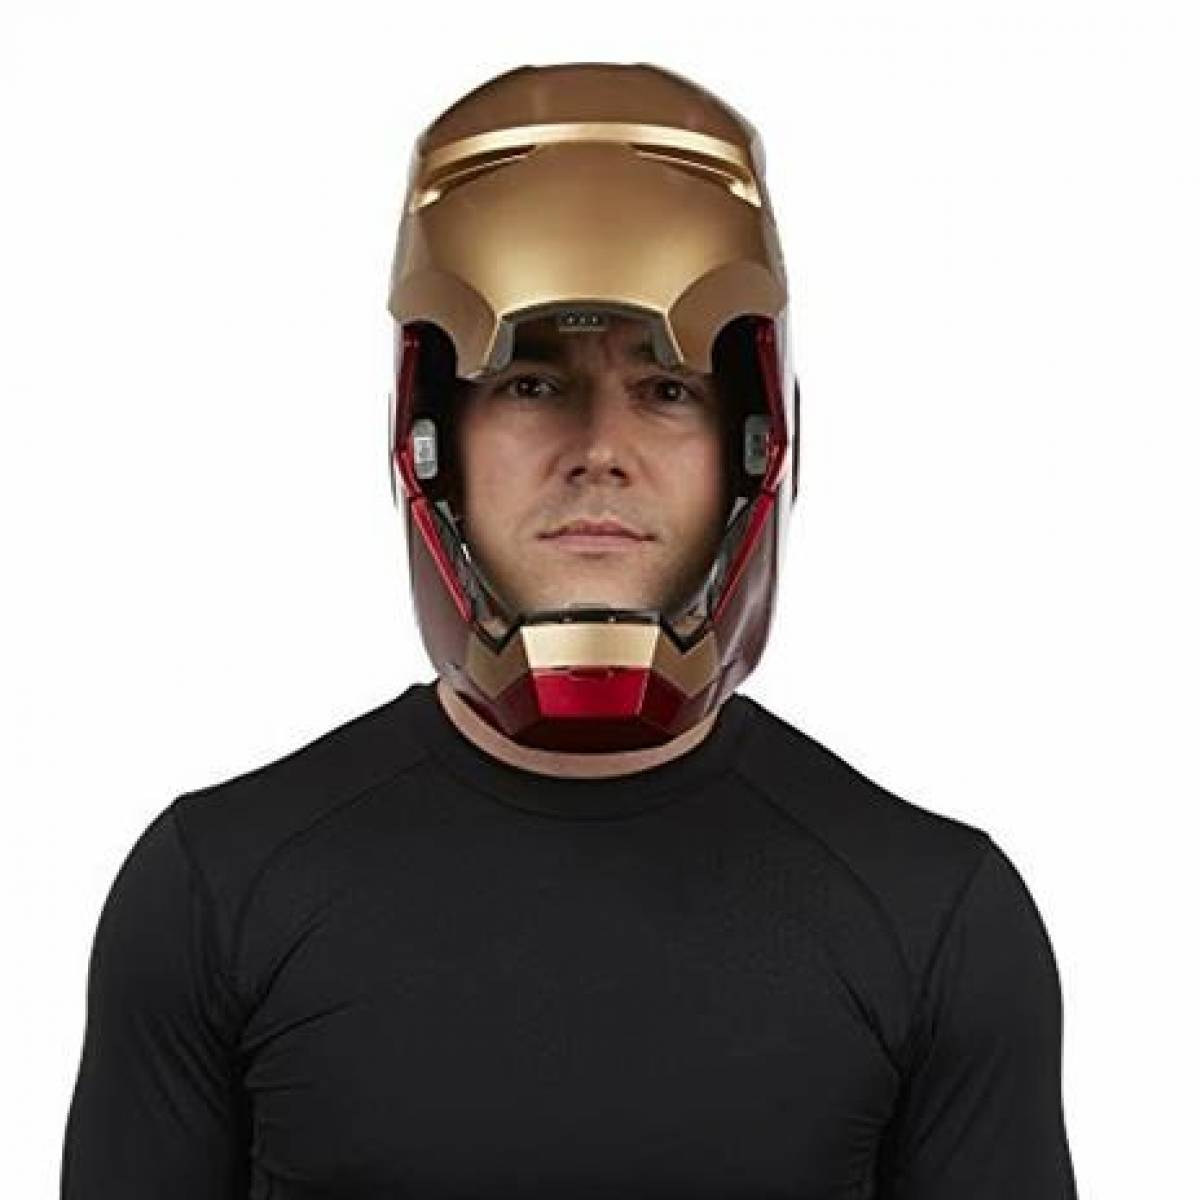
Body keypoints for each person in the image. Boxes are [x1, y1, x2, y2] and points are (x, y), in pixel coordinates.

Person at [60, 62, 1078, 1199]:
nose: (599, 451)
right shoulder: (212, 892)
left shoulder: (937, 915)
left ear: (755, 441)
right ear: (432, 438)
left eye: (667, 388)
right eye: (533, 384)